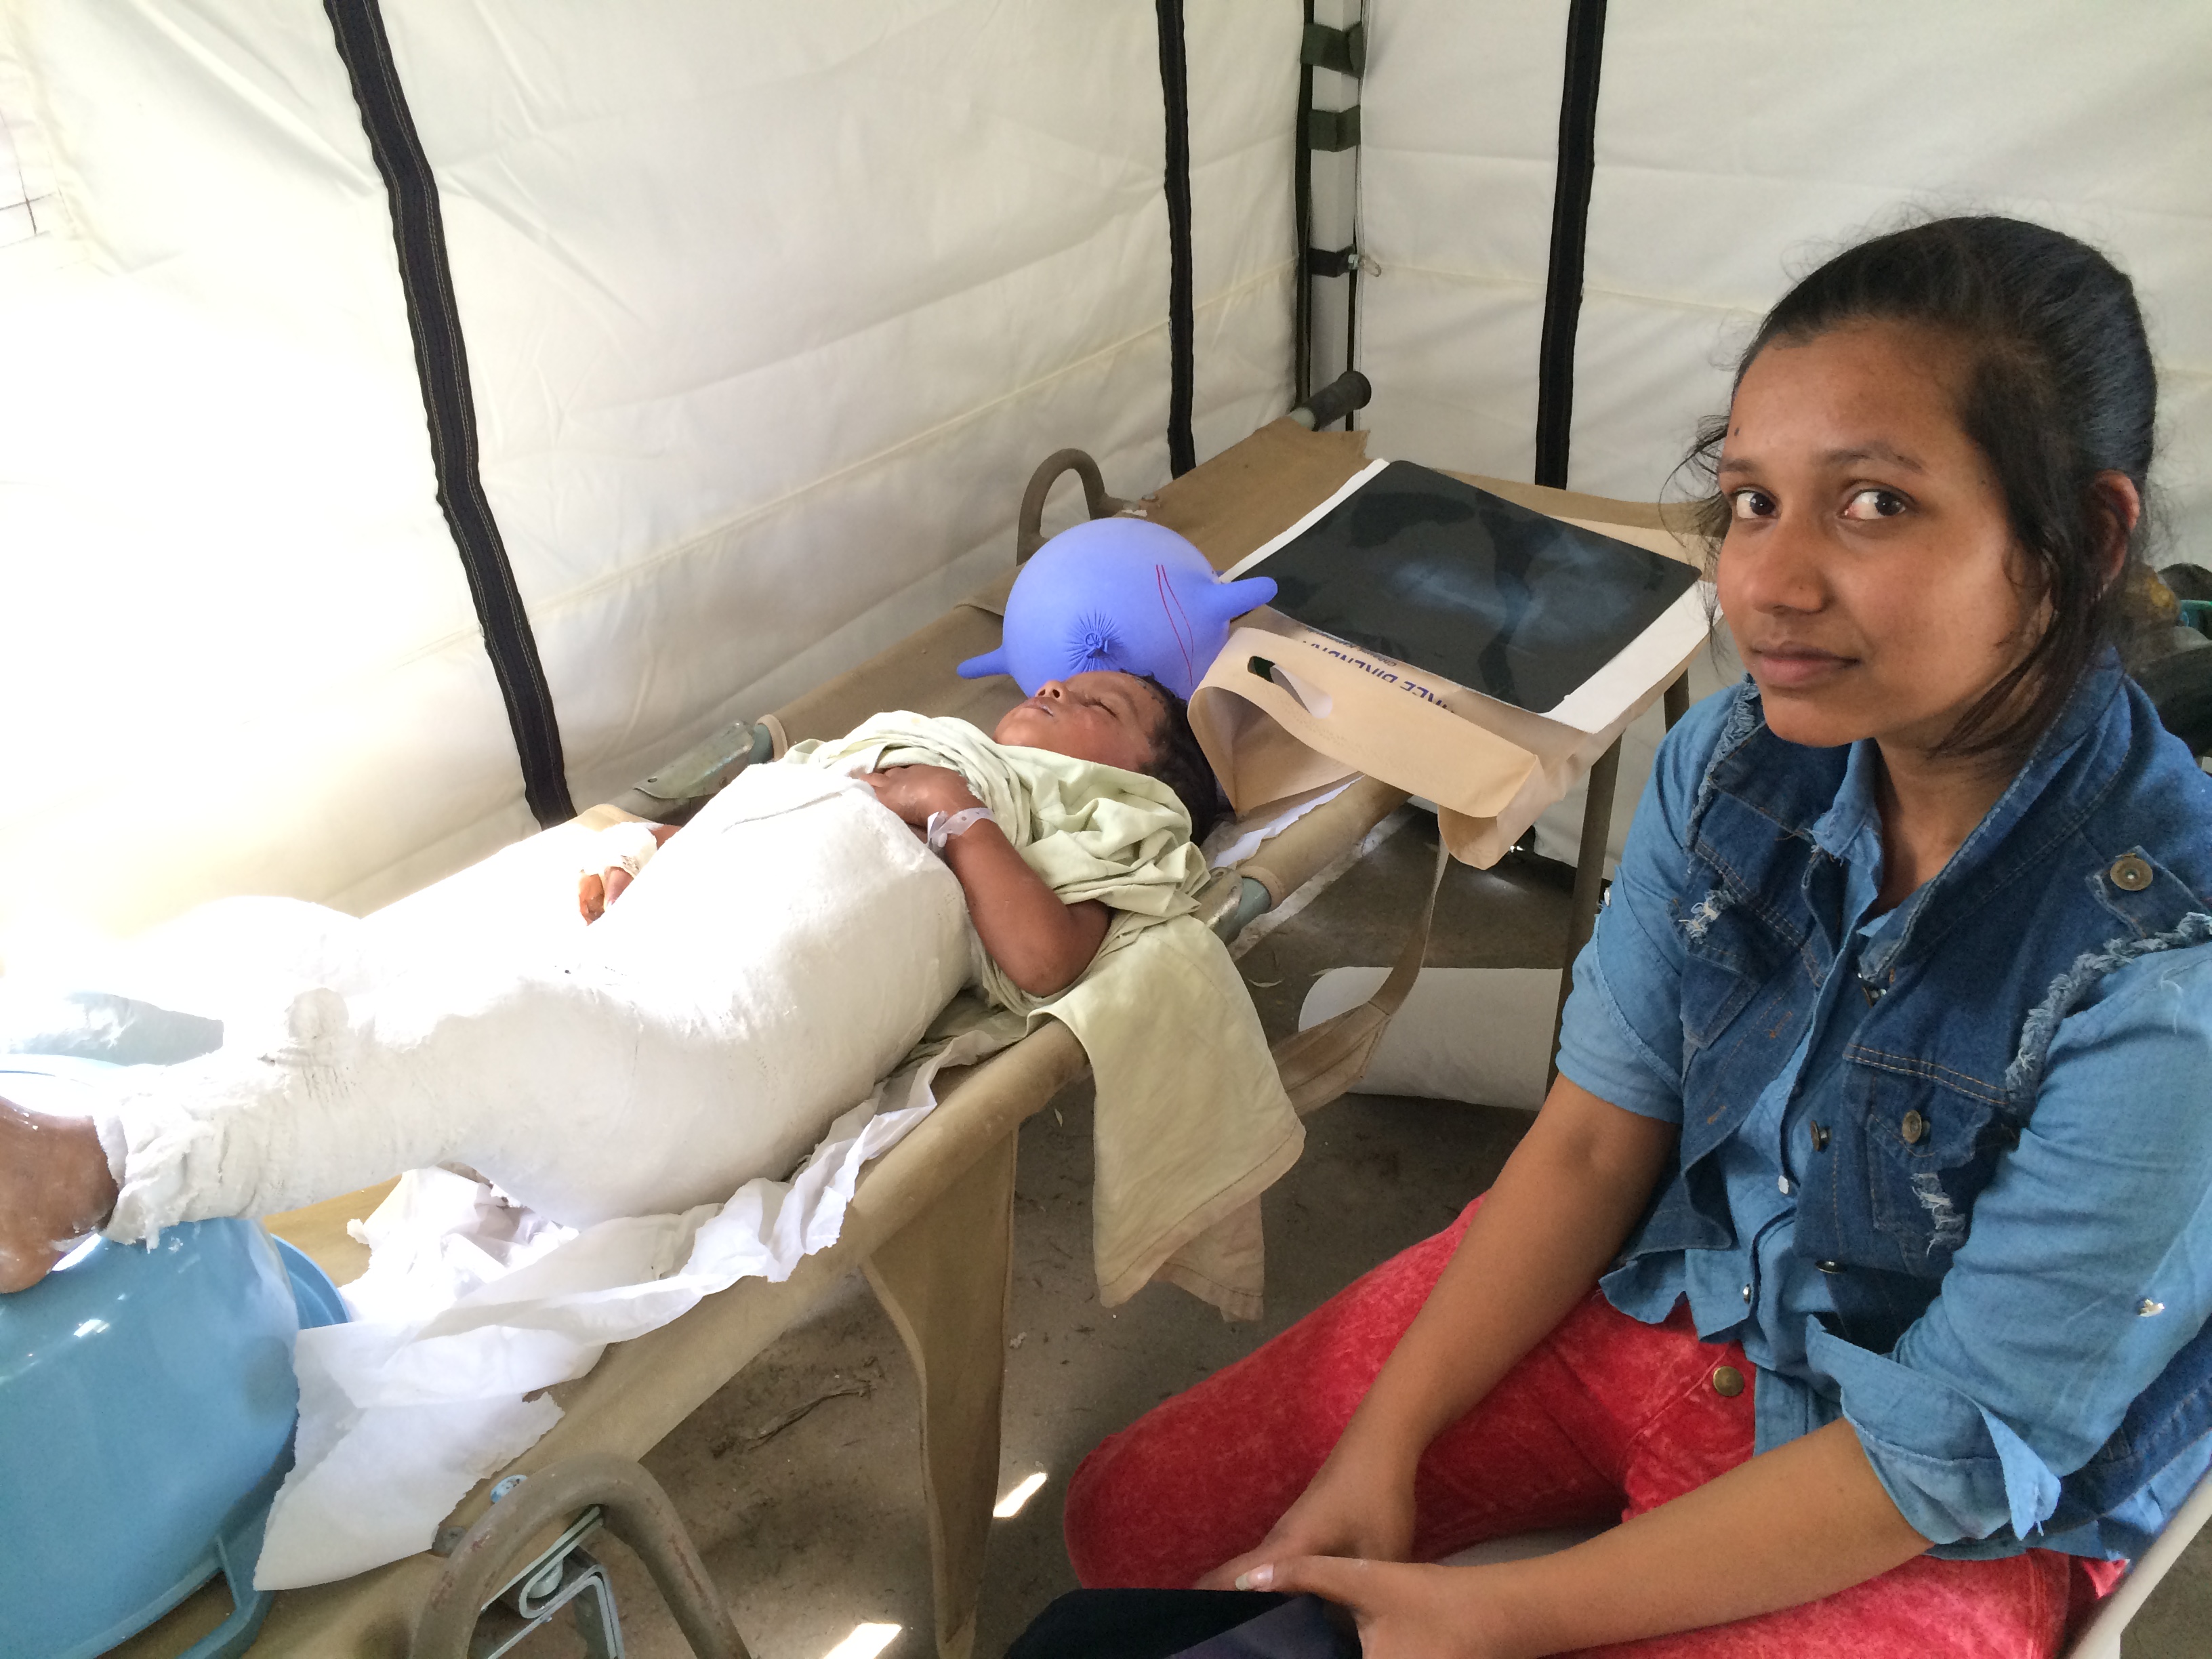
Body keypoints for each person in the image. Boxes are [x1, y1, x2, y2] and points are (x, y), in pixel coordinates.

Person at [1061, 217, 2212, 1656]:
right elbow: (1601, 1140)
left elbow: (1948, 1457)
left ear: (2083, 541)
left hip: (1927, 1485)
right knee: (1137, 1531)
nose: (1769, 584)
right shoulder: (1734, 763)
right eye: (1749, 501)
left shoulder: (2168, 970)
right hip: (1679, 1287)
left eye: (1873, 506)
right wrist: (1383, 1446)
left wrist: (1497, 1616)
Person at [0, 670, 1225, 1292]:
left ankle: (81, 1170)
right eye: (1067, 676)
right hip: (643, 966)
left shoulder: (1103, 817)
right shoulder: (908, 735)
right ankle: (105, 1127)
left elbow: (1046, 958)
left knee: (488, 1028)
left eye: (1106, 700)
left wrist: (952, 811)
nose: (1063, 687)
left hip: (719, 1051)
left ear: (1145, 766)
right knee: (279, 944)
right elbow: (777, 816)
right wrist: (658, 849)